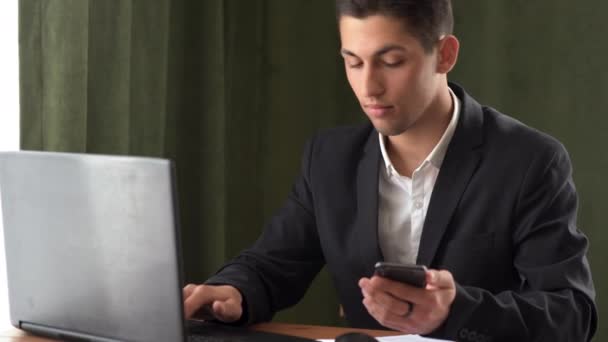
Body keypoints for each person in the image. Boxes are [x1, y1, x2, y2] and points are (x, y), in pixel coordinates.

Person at [182, 1, 597, 341]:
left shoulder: (529, 160)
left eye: (391, 61)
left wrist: (455, 310)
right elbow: (273, 264)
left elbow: (571, 314)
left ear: (445, 54)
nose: (369, 87)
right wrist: (233, 290)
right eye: (353, 62)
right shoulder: (329, 158)